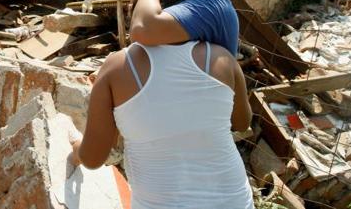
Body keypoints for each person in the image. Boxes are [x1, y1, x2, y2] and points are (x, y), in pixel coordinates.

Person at [70, 40, 254, 208]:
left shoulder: (118, 65)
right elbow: (243, 122)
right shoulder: (219, 56)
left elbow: (93, 158)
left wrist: (78, 149)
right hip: (233, 200)